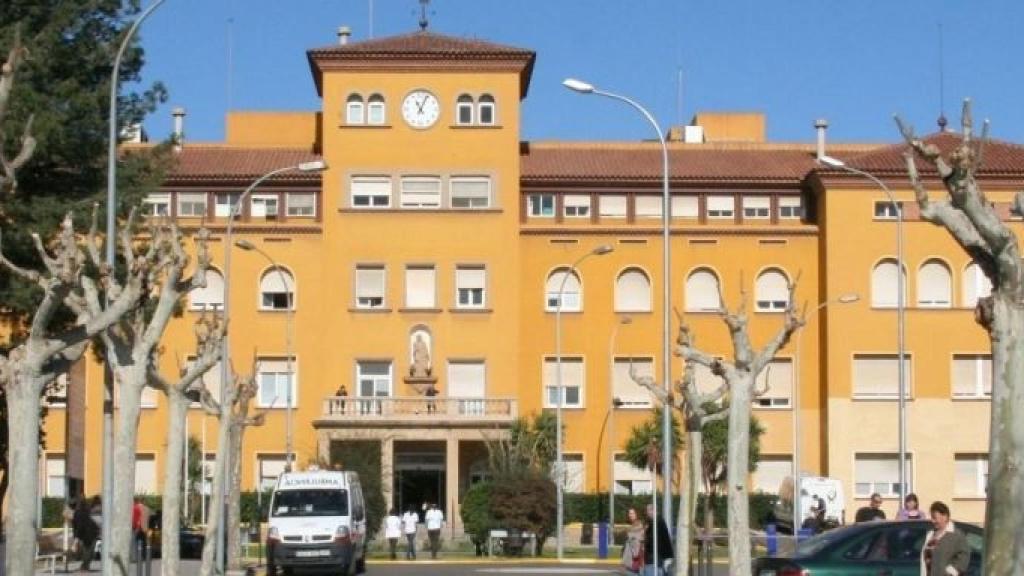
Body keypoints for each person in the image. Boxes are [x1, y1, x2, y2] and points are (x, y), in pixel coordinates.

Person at [921, 501, 969, 576]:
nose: (932, 521)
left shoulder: (956, 535)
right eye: (932, 517)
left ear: (945, 516)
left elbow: (964, 556)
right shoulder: (930, 534)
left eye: (935, 518)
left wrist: (951, 571)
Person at [643, 504, 672, 576]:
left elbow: (652, 540)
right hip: (658, 556)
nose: (647, 513)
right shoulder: (657, 521)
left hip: (654, 556)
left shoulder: (656, 522)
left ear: (652, 511)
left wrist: (644, 539)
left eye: (648, 511)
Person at [72, 498, 99, 571]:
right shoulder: (85, 511)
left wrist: (76, 539)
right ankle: (85, 566)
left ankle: (84, 567)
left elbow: (78, 527)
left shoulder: (78, 513)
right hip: (92, 532)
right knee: (89, 551)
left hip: (88, 533)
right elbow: (77, 527)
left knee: (88, 550)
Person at [620, 507, 644, 574]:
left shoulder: (639, 525)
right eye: (629, 513)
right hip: (632, 557)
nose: (630, 515)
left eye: (632, 513)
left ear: (636, 514)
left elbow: (638, 541)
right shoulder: (632, 526)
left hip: (635, 557)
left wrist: (629, 534)